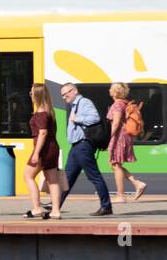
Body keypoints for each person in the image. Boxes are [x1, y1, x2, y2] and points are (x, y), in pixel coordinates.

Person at [59, 82, 112, 216]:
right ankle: (56, 205)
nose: (64, 97)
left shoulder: (84, 102)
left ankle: (106, 206)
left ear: (74, 91)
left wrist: (77, 119)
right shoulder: (74, 105)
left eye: (66, 94)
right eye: (62, 95)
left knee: (94, 176)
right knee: (67, 178)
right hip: (76, 146)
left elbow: (95, 117)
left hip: (84, 145)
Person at [24, 83, 66, 219]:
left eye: (31, 93)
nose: (30, 95)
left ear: (37, 95)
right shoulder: (50, 111)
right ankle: (55, 211)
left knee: (28, 176)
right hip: (53, 148)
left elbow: (42, 133)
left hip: (43, 149)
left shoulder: (41, 113)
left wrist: (36, 153)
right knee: (53, 181)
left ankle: (36, 208)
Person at [106, 82, 146, 201]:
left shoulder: (118, 105)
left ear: (114, 92)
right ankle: (137, 183)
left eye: (111, 89)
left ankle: (121, 195)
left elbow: (116, 123)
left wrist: (108, 137)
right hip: (124, 136)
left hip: (119, 137)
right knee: (114, 164)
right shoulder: (125, 103)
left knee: (116, 164)